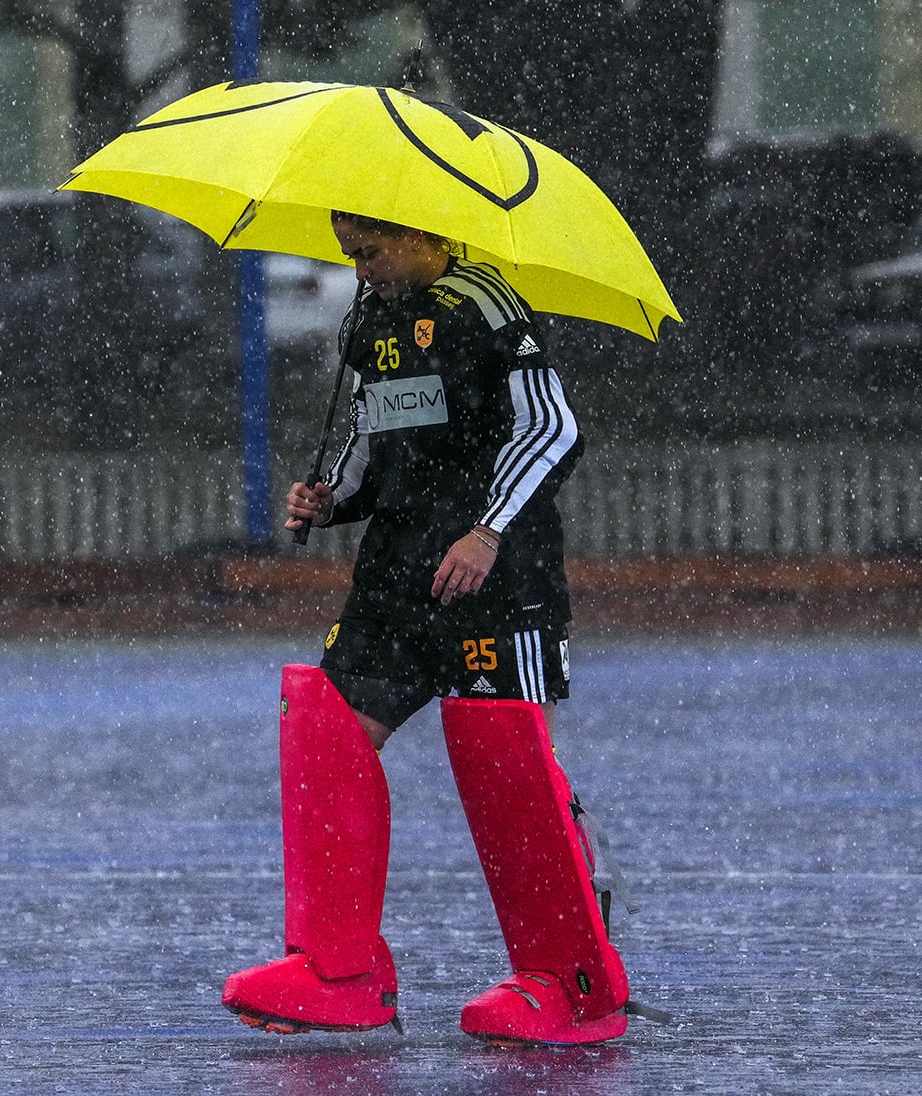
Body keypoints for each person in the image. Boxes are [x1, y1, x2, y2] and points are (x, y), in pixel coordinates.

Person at [220, 212, 651, 1045]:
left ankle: (572, 979)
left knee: (507, 764)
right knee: (329, 732)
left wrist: (486, 531)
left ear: (422, 233)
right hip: (394, 579)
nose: (361, 270)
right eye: (349, 255)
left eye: (371, 252)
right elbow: (374, 442)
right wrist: (333, 498)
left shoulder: (487, 304)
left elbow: (551, 429)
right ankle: (339, 970)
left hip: (496, 580)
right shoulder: (370, 320)